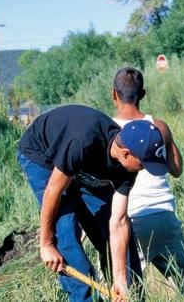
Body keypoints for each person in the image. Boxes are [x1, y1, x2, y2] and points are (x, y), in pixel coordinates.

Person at [17, 104, 168, 302]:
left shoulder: (127, 167)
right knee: (66, 231)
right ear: (126, 154)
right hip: (42, 154)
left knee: (112, 233)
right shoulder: (83, 141)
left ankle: (131, 297)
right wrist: (46, 243)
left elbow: (119, 221)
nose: (144, 169)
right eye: (143, 163)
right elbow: (53, 190)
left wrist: (121, 278)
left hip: (79, 162)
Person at [111, 67, 184, 295]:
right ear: (143, 94)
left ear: (114, 94)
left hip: (128, 221)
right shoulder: (158, 127)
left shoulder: (108, 131)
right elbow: (176, 169)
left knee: (123, 289)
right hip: (163, 216)